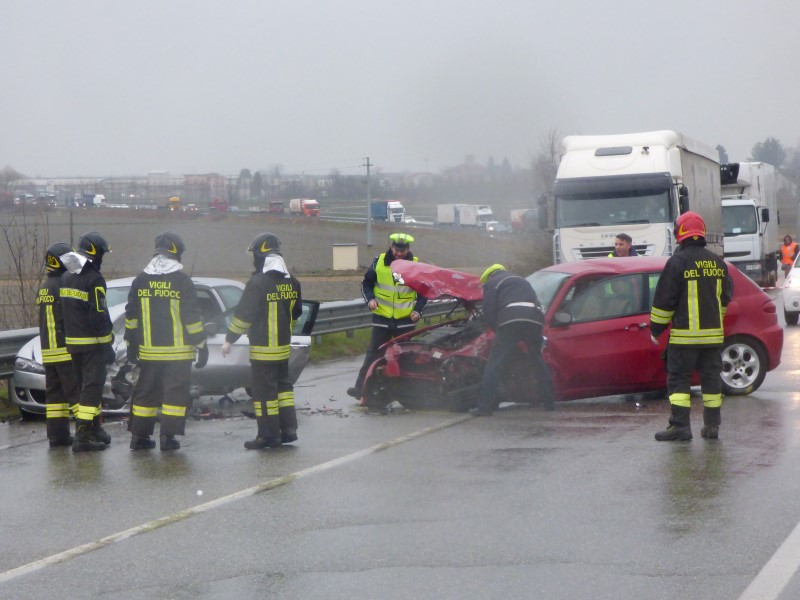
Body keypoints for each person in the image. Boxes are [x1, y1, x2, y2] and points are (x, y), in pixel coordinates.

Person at [650, 211, 733, 441]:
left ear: (679, 233)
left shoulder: (677, 262)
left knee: (678, 380)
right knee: (711, 381)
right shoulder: (718, 263)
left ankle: (680, 427)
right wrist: (715, 323)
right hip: (713, 339)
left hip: (684, 339)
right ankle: (712, 426)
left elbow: (665, 300)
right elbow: (724, 299)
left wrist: (656, 328)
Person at [124, 232, 208, 451]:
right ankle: (167, 438)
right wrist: (201, 344)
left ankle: (139, 437)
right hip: (178, 354)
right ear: (177, 253)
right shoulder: (182, 281)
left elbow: (131, 317)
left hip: (149, 352)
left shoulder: (141, 280)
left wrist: (131, 345)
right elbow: (192, 318)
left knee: (145, 393)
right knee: (174, 395)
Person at [221, 233, 302, 449]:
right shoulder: (292, 281)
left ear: (260, 257)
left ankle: (268, 436)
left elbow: (243, 316)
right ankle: (288, 430)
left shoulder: (257, 283)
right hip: (283, 349)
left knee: (265, 394)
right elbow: (296, 312)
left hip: (263, 351)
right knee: (283, 390)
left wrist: (229, 340)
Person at [346, 232, 427, 401]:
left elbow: (424, 292)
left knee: (405, 359)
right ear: (391, 246)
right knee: (373, 355)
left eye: (402, 250)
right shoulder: (379, 262)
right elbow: (366, 284)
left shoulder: (416, 265)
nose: (399, 253)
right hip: (382, 319)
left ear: (408, 249)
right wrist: (370, 300)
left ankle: (408, 394)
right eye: (396, 250)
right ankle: (360, 389)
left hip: (405, 321)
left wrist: (418, 311)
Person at [473, 264, 555, 416]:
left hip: (510, 321)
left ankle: (484, 407)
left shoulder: (492, 283)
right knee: (538, 360)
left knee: (495, 363)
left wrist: (497, 330)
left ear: (489, 276)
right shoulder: (520, 280)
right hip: (534, 320)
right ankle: (549, 402)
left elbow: (489, 310)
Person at [59, 232, 114, 452]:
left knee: (86, 388)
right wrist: (107, 344)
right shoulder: (94, 279)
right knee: (92, 388)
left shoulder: (66, 276)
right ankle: (83, 435)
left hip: (73, 344)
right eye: (102, 254)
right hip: (92, 345)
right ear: (95, 253)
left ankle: (94, 429)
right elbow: (98, 315)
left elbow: (62, 314)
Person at [37, 242, 79, 448]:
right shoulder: (64, 284)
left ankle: (57, 436)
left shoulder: (44, 287)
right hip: (65, 350)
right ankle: (86, 431)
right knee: (76, 393)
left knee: (55, 397)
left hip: (48, 350)